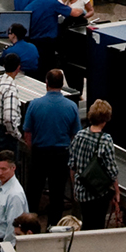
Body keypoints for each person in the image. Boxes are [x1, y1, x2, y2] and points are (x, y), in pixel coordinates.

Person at [21, 69, 80, 221]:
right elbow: (75, 135)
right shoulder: (71, 106)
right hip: (61, 155)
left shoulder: (34, 105)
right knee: (57, 193)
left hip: (39, 153)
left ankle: (30, 223)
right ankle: (53, 226)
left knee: (34, 191)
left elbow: (27, 132)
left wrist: (32, 149)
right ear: (62, 84)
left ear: (46, 83)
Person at [67, 99, 119, 230]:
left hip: (82, 190)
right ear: (106, 119)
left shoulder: (79, 136)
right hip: (98, 192)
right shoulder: (105, 140)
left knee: (87, 222)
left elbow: (72, 165)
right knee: (97, 224)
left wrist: (75, 187)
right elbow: (112, 171)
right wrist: (117, 192)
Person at [26, 0, 84, 72]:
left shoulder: (30, 6)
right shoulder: (52, 3)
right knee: (49, 69)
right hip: (48, 44)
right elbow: (74, 13)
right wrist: (82, 9)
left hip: (33, 43)